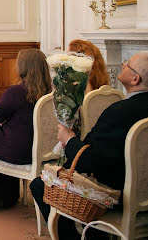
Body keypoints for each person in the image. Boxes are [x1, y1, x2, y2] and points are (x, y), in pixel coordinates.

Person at [30, 51, 148, 240]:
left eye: (127, 64)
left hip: (117, 194)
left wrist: (69, 139)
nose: (123, 64)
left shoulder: (119, 112)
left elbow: (91, 163)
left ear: (135, 78)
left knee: (40, 184)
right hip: (142, 190)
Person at [0, 49, 52, 212]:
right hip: (41, 150)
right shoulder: (50, 94)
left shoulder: (17, 91)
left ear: (24, 68)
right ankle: (6, 195)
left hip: (19, 151)